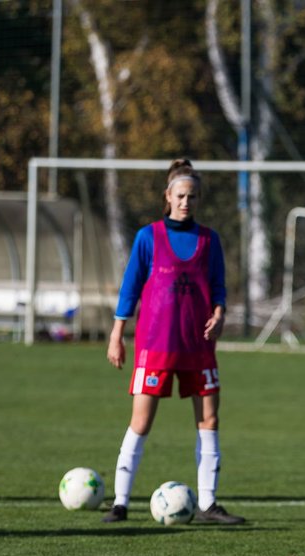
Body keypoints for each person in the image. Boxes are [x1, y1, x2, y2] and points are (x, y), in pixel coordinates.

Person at [102, 159, 244, 525]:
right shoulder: (148, 237)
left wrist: (220, 312)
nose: (186, 202)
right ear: (168, 196)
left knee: (209, 420)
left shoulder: (209, 239)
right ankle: (120, 503)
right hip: (155, 345)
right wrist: (117, 334)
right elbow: (130, 288)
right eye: (180, 195)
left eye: (192, 197)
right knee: (141, 421)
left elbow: (218, 287)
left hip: (198, 346)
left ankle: (208, 504)